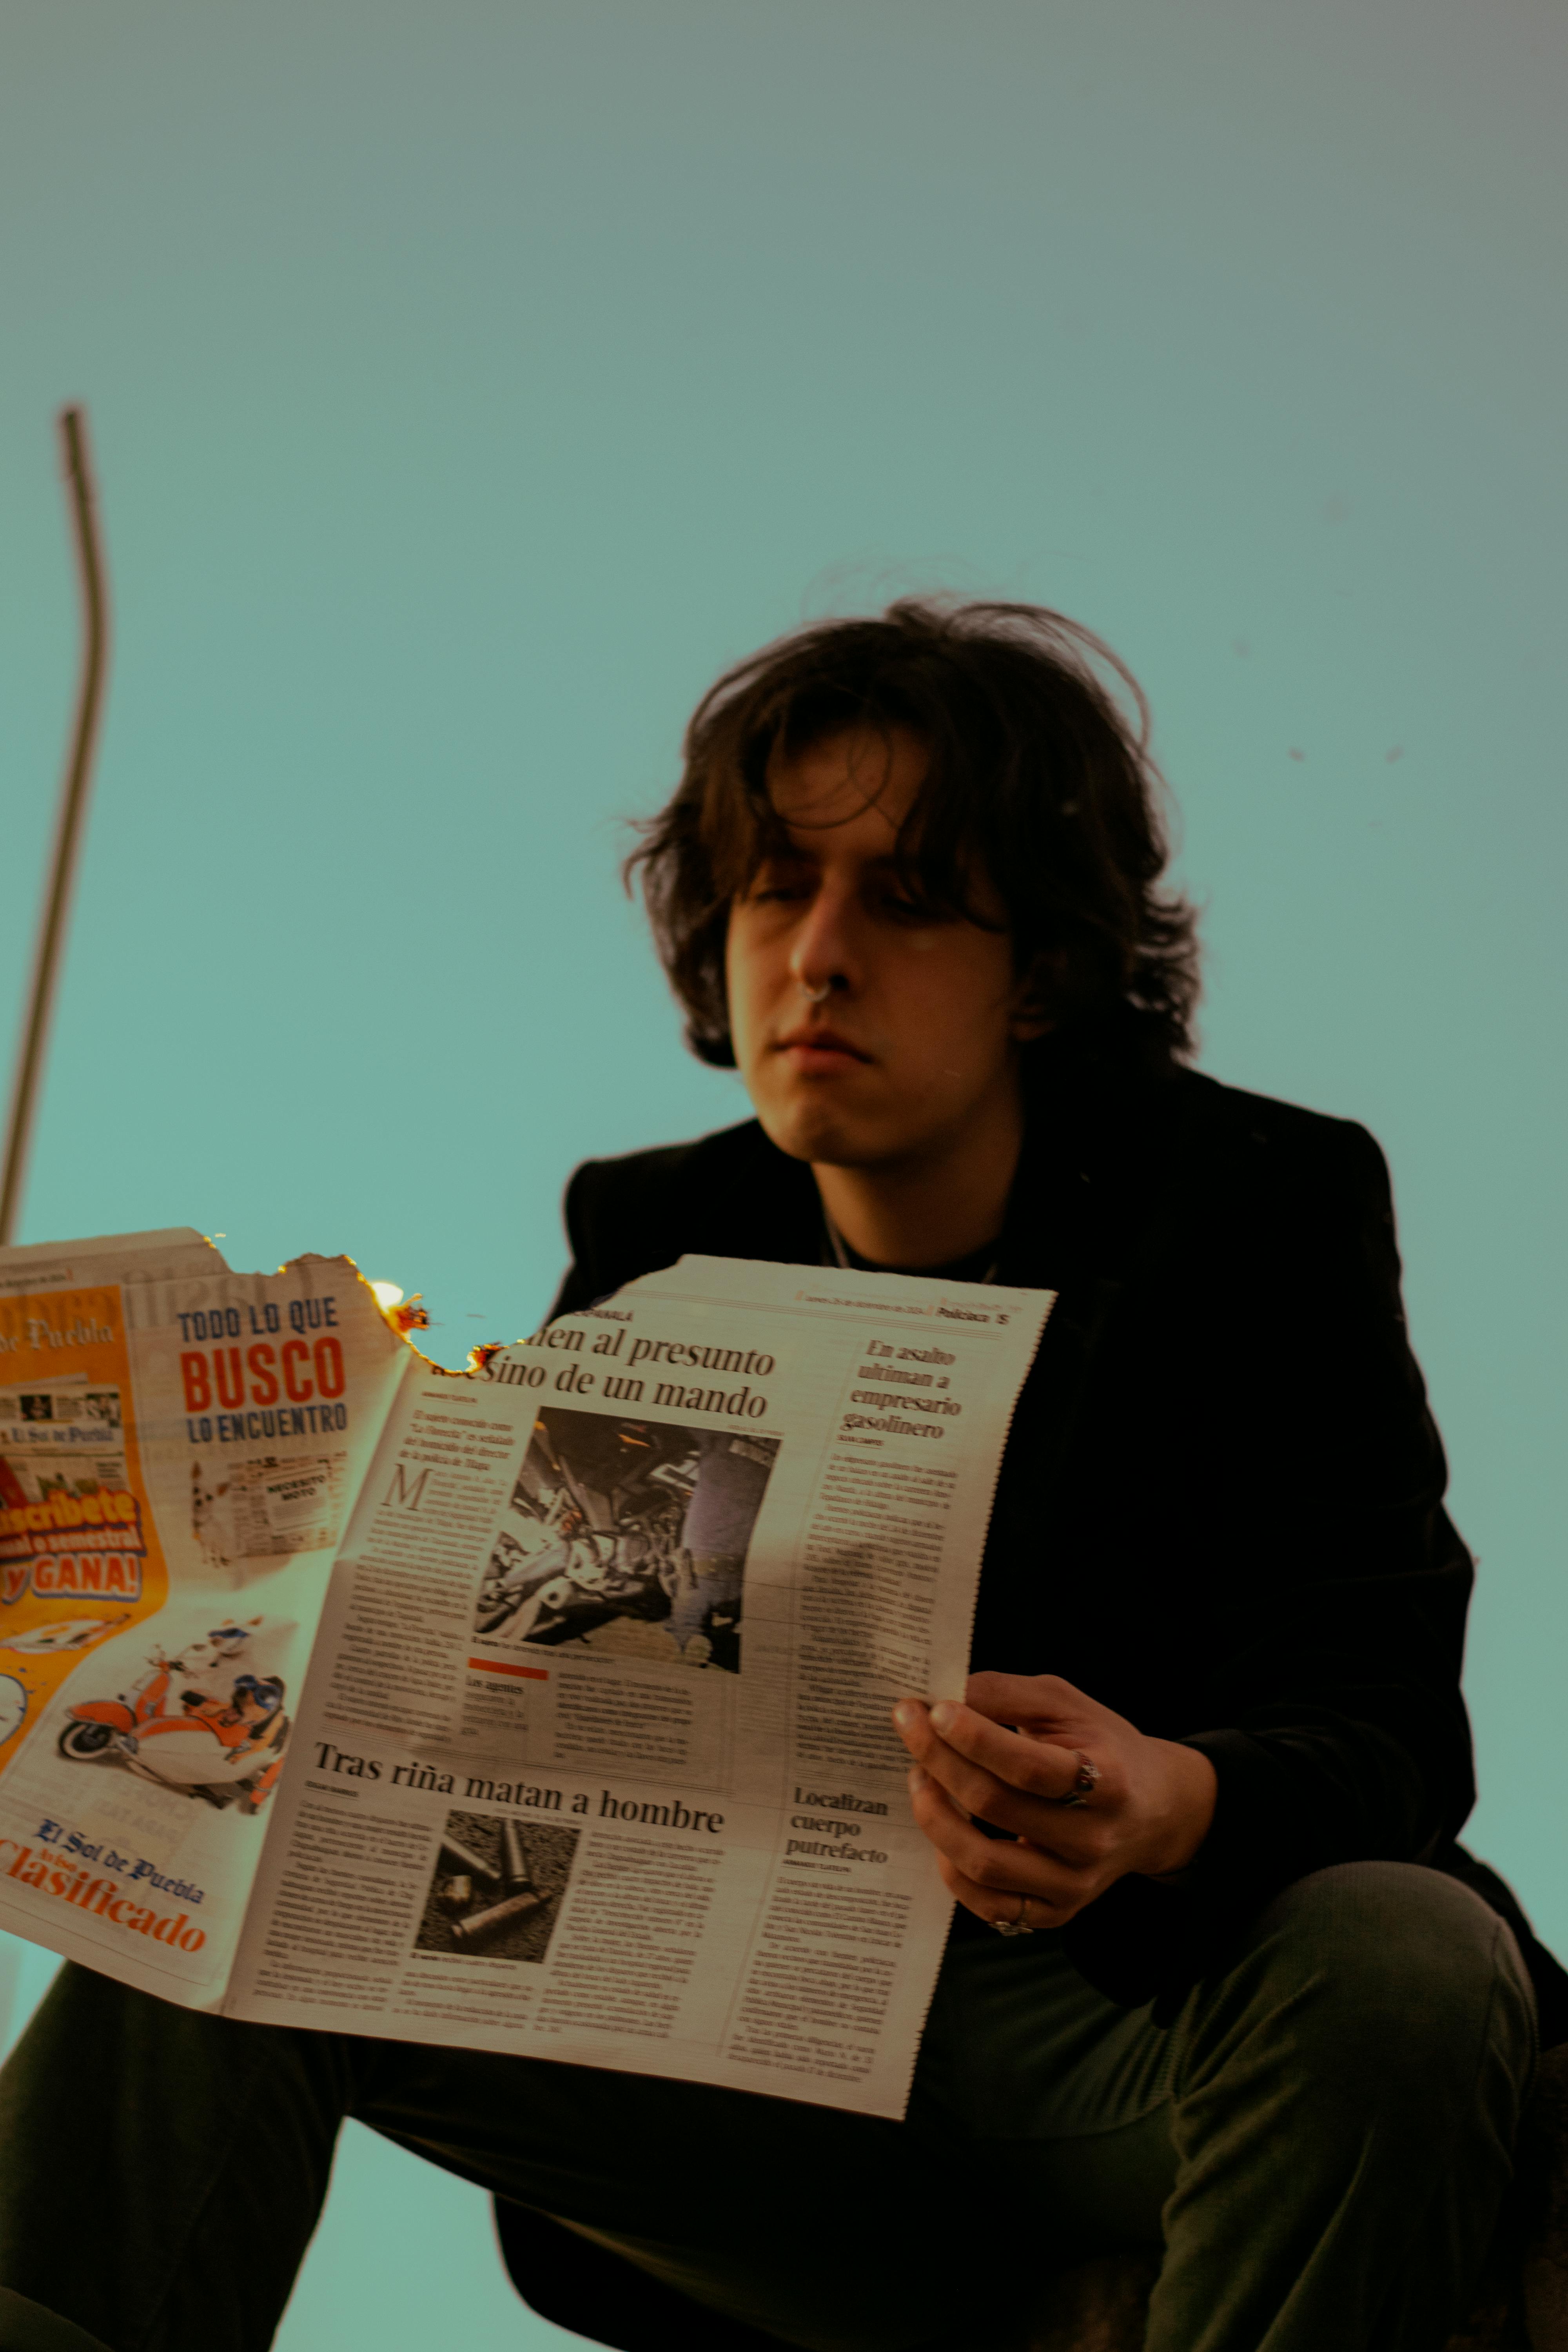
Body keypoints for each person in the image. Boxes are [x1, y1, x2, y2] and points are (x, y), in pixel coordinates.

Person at [0, 598, 1559, 2352]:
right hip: (752, 2083)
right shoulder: (662, 1232)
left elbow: (1390, 1730)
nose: (817, 954)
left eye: (901, 899)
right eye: (773, 888)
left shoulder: (1257, 1205)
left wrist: (1165, 1797)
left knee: (1403, 1951)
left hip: (1134, 2054)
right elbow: (552, 1685)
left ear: (1040, 963)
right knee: (227, 1871)